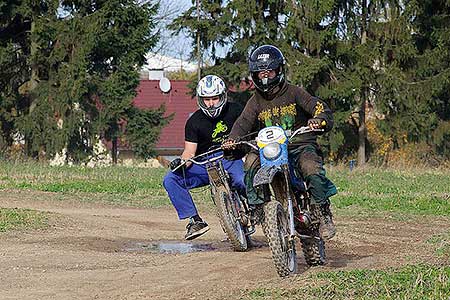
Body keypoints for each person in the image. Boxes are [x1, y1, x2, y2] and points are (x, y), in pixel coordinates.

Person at [223, 45, 337, 240]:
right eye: (260, 74)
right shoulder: (255, 101)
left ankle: (322, 212)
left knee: (311, 168)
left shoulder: (295, 92)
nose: (265, 77)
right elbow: (242, 124)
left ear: (279, 70)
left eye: (269, 72)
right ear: (254, 76)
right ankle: (258, 207)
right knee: (250, 161)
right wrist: (232, 141)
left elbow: (317, 107)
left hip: (299, 145)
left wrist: (319, 118)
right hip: (268, 150)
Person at [163, 75, 246, 241]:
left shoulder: (236, 110)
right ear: (200, 99)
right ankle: (195, 221)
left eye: (215, 98)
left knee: (242, 180)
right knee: (170, 179)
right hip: (204, 162)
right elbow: (189, 152)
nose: (211, 103)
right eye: (206, 99)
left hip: (230, 157)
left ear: (223, 96)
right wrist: (181, 162)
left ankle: (255, 207)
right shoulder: (194, 121)